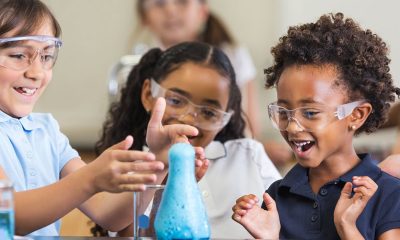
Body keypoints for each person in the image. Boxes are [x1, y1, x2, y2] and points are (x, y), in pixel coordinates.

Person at [0, 0, 204, 236]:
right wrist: (90, 178)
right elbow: (11, 214)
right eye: (17, 55)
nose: (36, 72)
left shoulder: (46, 131)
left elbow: (109, 215)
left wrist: (158, 162)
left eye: (46, 57)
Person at [232, 13, 400, 239]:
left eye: (310, 112)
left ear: (356, 115)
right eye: (283, 112)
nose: (292, 127)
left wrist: (347, 227)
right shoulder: (275, 196)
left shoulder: (388, 194)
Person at [93, 41, 281, 238]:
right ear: (149, 94)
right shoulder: (131, 170)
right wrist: (165, 182)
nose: (189, 120)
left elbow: (290, 222)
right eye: (176, 101)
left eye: (208, 112)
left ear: (224, 119)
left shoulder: (249, 156)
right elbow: (131, 234)